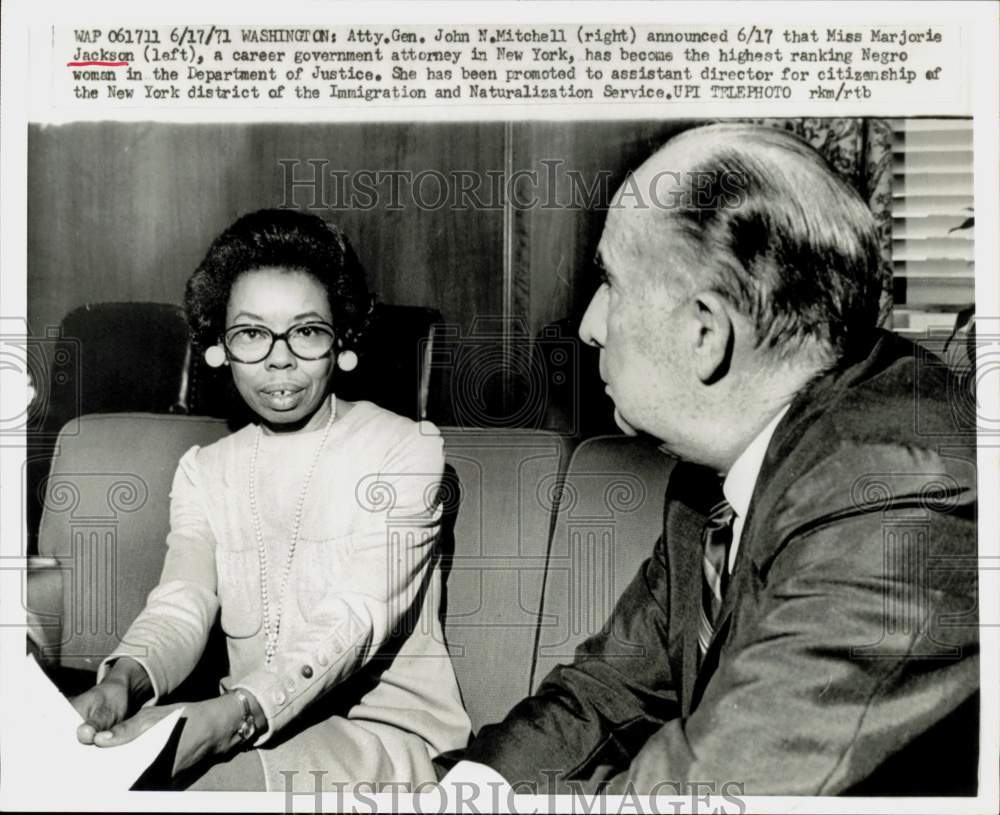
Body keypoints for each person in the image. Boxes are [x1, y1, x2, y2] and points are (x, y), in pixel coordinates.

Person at [435, 123, 979, 795]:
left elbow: (708, 793)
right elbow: (607, 693)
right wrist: (464, 787)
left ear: (705, 331)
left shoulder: (897, 492)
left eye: (609, 282)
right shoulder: (722, 474)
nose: (589, 325)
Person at [70, 209, 471, 791]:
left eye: (306, 331)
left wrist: (231, 719)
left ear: (342, 342)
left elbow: (357, 619)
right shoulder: (205, 471)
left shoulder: (406, 449)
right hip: (248, 727)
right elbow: (181, 603)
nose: (279, 358)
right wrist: (124, 680)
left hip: (386, 743)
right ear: (221, 349)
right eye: (252, 334)